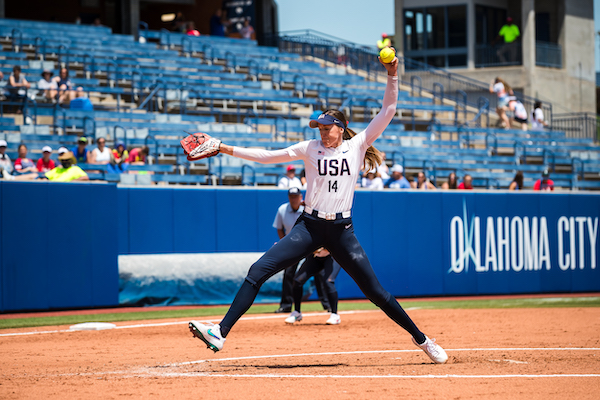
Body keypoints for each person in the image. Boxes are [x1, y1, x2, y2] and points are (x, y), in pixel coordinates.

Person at [188, 53, 448, 364]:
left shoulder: (359, 144)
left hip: (341, 231)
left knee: (376, 293)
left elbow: (389, 109)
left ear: (342, 127)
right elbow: (265, 156)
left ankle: (423, 341)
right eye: (320, 127)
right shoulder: (309, 148)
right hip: (309, 227)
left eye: (327, 127)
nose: (322, 131)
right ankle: (220, 332)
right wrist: (223, 147)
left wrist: (392, 75)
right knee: (257, 271)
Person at [271, 187, 331, 314]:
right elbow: (279, 228)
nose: (293, 199)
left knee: (318, 274)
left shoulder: (307, 208)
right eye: (291, 196)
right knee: (288, 274)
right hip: (292, 246)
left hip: (309, 245)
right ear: (289, 197)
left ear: (300, 197)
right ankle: (286, 305)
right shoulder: (282, 210)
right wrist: (284, 243)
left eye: (296, 196)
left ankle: (327, 304)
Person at [285, 247, 342, 325]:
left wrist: (320, 247)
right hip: (315, 257)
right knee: (297, 280)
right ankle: (297, 313)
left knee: (328, 282)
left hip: (332, 256)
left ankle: (335, 315)